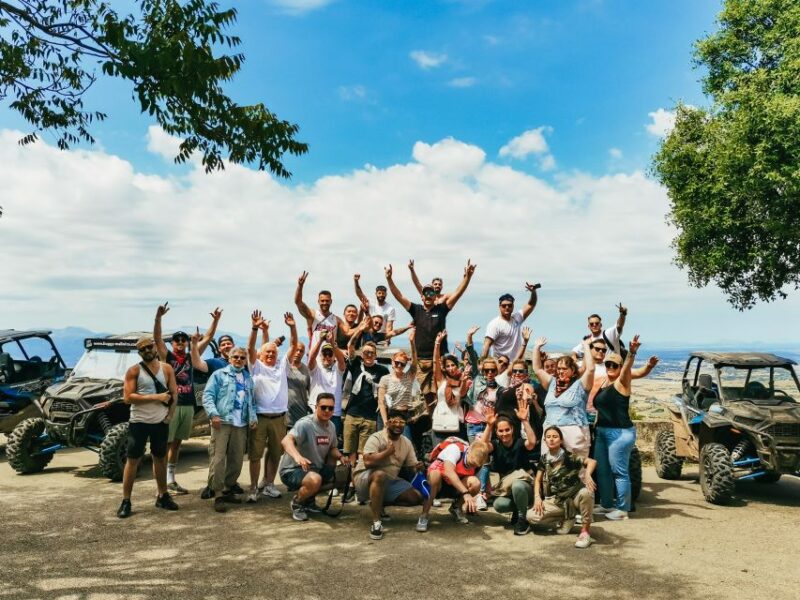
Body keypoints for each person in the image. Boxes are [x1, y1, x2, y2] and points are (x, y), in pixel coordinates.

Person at [153, 303, 219, 495]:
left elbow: (208, 338)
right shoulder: (167, 357)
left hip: (188, 404)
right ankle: (162, 484)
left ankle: (171, 479)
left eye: (184, 340)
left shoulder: (192, 357)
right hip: (171, 405)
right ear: (172, 344)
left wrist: (215, 320)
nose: (180, 342)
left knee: (178, 442)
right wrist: (158, 318)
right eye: (177, 340)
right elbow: (157, 339)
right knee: (166, 442)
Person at [117, 336, 179, 518]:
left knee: (160, 458)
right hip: (139, 422)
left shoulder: (167, 369)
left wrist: (170, 415)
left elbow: (174, 393)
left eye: (149, 347)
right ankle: (126, 501)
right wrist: (156, 398)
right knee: (133, 460)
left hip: (160, 422)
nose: (147, 351)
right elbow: (128, 398)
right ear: (139, 352)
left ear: (155, 347)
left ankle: (163, 495)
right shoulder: (134, 371)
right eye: (142, 349)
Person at [246, 310, 299, 503]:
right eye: (267, 352)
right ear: (260, 355)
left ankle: (268, 484)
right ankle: (253, 488)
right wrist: (254, 328)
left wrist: (292, 327)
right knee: (255, 455)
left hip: (279, 418)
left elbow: (293, 346)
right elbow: (251, 347)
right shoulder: (256, 366)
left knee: (276, 453)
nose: (270, 354)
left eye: (274, 352)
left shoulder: (282, 365)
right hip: (259, 417)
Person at [354, 409, 425, 540]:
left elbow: (412, 467)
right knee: (380, 475)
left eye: (402, 422)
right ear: (387, 423)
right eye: (394, 421)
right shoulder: (376, 437)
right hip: (364, 478)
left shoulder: (406, 442)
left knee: (416, 497)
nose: (398, 425)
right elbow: (368, 462)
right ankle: (376, 523)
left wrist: (418, 466)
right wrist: (387, 452)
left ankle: (378, 503)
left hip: (389, 480)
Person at [202, 346, 257, 513]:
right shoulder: (219, 375)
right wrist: (213, 414)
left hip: (241, 424)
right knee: (218, 459)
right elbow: (208, 395)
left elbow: (252, 401)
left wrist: (253, 417)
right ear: (230, 358)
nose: (239, 360)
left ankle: (227, 488)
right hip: (222, 421)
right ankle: (217, 493)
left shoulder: (248, 378)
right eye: (236, 357)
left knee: (237, 459)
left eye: (242, 358)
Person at [278, 393, 349, 521]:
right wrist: (298, 457)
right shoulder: (305, 424)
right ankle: (297, 503)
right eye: (323, 407)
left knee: (343, 474)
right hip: (293, 470)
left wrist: (340, 456)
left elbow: (332, 448)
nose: (327, 411)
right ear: (316, 407)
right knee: (315, 479)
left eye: (331, 408)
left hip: (314, 469)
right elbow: (285, 441)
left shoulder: (331, 426)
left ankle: (309, 499)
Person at [594, 335, 642, 521]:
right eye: (608, 365)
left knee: (619, 472)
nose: (610, 368)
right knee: (603, 470)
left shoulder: (622, 382)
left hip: (620, 433)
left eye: (614, 365)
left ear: (620, 367)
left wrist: (631, 352)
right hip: (602, 431)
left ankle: (623, 509)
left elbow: (628, 367)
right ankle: (607, 504)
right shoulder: (604, 383)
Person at [527, 426, 598, 549]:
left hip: (575, 497)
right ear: (545, 440)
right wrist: (537, 497)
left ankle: (585, 532)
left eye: (555, 437)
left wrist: (587, 474)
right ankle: (568, 517)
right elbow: (537, 480)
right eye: (548, 437)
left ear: (561, 440)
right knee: (531, 516)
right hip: (558, 500)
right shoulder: (544, 459)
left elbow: (592, 462)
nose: (551, 439)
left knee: (587, 492)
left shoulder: (569, 457)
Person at [533, 337, 594, 459]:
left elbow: (590, 369)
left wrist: (586, 346)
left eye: (564, 369)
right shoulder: (552, 383)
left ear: (573, 370)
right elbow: (537, 369)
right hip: (550, 433)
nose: (560, 371)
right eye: (559, 368)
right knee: (551, 470)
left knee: (576, 472)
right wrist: (536, 347)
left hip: (574, 433)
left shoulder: (581, 385)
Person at [483, 404, 538, 535]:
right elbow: (483, 446)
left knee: (518, 486)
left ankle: (522, 519)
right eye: (500, 431)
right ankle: (519, 510)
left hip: (525, 487)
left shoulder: (519, 443)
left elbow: (532, 442)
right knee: (499, 505)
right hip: (508, 489)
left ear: (512, 429)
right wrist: (489, 426)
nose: (504, 433)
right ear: (496, 432)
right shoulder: (495, 445)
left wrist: (524, 420)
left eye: (507, 430)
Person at [464, 327, 503, 509]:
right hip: (473, 424)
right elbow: (472, 357)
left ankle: (480, 495)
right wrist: (469, 338)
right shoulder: (478, 379)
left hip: (488, 427)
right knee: (475, 459)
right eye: (486, 370)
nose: (489, 373)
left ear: (496, 371)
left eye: (492, 370)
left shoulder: (500, 389)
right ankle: (482, 491)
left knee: (485, 459)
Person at [416, 438, 490, 532]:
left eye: (476, 465)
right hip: (438, 484)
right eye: (472, 463)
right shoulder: (455, 449)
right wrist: (466, 493)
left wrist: (476, 498)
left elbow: (476, 482)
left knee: (475, 483)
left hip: (454, 485)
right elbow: (448, 471)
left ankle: (456, 508)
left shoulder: (477, 463)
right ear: (469, 451)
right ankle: (424, 515)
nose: (473, 467)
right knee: (435, 474)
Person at [343, 326, 389, 466]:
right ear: (362, 354)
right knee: (350, 452)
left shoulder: (382, 370)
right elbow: (350, 345)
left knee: (364, 453)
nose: (369, 355)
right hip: (352, 414)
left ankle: (360, 481)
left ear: (375, 355)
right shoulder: (356, 364)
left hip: (370, 417)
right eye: (366, 352)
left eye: (372, 353)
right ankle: (351, 483)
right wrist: (360, 330)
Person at [295, 271, 354, 350]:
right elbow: (298, 302)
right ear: (318, 301)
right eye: (322, 300)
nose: (324, 303)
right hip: (315, 357)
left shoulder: (337, 320)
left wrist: (361, 326)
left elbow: (348, 332)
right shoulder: (312, 315)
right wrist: (300, 286)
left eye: (327, 300)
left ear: (331, 301)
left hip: (331, 357)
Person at [430, 330, 470, 446]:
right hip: (440, 421)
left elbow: (462, 394)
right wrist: (437, 344)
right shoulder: (441, 380)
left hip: (456, 423)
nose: (451, 368)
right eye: (448, 366)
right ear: (445, 368)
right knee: (438, 455)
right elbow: (435, 363)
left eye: (453, 365)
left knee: (457, 454)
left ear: (457, 366)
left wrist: (463, 381)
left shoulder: (462, 379)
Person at [481, 283, 540, 361]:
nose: (507, 307)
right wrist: (482, 364)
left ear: (513, 306)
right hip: (501, 365)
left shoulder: (517, 318)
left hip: (516, 365)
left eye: (509, 305)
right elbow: (486, 345)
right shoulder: (494, 324)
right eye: (504, 305)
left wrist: (533, 292)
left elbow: (531, 304)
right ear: (499, 306)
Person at [377, 328, 419, 435]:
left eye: (402, 364)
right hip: (389, 414)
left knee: (405, 443)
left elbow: (415, 362)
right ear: (392, 362)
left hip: (404, 415)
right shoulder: (385, 379)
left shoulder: (409, 376)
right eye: (397, 363)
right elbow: (381, 403)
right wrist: (386, 422)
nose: (399, 366)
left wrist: (412, 343)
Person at [307, 330, 347, 438]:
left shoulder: (338, 369)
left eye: (330, 354)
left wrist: (333, 343)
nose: (327, 357)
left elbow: (342, 361)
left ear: (334, 357)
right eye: (325, 353)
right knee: (312, 444)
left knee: (331, 446)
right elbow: (311, 359)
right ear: (320, 355)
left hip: (334, 414)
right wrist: (320, 340)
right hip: (314, 412)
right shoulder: (316, 368)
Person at [286, 341, 311, 429]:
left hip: (300, 416)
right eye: (296, 350)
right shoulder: (282, 368)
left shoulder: (307, 371)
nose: (298, 353)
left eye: (301, 351)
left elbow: (311, 393)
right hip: (283, 417)